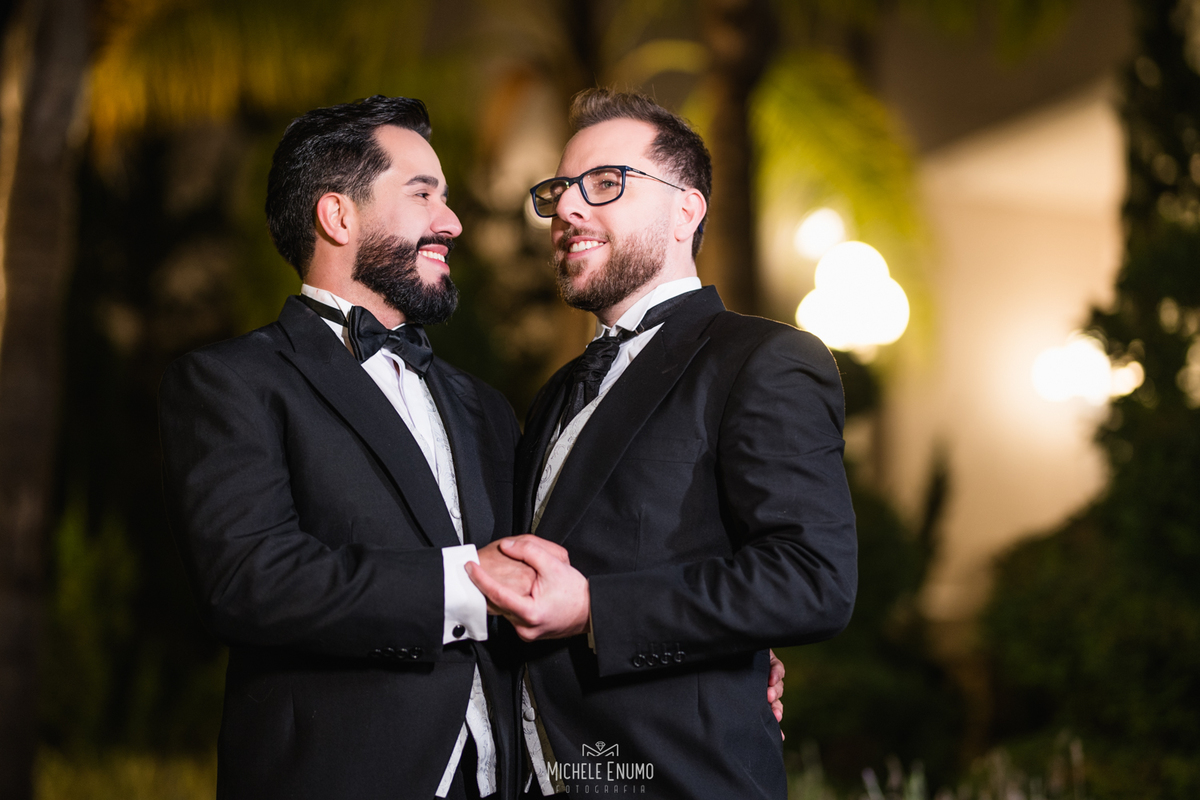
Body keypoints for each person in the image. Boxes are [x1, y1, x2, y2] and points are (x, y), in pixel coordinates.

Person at [467, 89, 858, 799]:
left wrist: (598, 610)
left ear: (686, 210)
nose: (567, 207)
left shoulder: (763, 359)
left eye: (605, 182)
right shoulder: (555, 394)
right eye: (559, 190)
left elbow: (812, 580)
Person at [159, 95, 535, 800]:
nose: (451, 221)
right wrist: (467, 585)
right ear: (338, 216)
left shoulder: (484, 405)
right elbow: (252, 581)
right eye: (422, 194)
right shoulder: (229, 383)